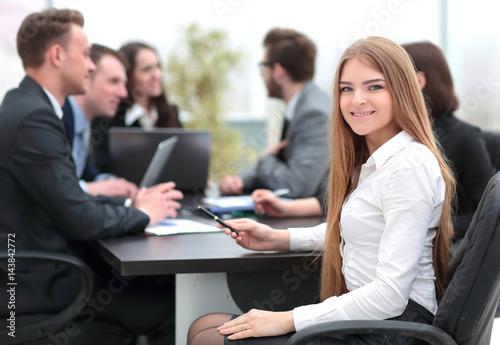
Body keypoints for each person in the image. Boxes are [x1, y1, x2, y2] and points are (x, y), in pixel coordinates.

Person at [186, 36, 456, 345]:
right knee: (203, 327)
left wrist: (287, 319)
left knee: (207, 336)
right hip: (372, 319)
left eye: (374, 87)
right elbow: (359, 230)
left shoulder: (409, 166)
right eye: (347, 89)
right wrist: (278, 238)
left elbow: (391, 295)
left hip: (395, 329)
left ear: (402, 91)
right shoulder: (376, 162)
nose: (357, 100)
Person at [0, 9, 182, 343]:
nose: (91, 65)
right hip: (37, 292)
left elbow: (72, 197)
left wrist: (132, 206)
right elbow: (80, 217)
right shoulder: (33, 119)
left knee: (161, 287)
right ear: (57, 55)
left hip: (48, 276)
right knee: (179, 303)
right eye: (85, 55)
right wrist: (143, 213)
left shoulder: (29, 107)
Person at [219, 28, 330, 199]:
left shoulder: (313, 114)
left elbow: (296, 185)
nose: (262, 75)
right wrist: (241, 181)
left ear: (278, 70)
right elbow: (286, 169)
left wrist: (266, 157)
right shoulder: (302, 105)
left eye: (263, 66)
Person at [402, 41, 496, 241]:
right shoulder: (396, 136)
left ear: (419, 81)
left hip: (446, 249)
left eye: (397, 76)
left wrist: (449, 228)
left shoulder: (465, 138)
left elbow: (491, 210)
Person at [92, 41, 182, 173]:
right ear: (128, 75)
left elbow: (182, 159)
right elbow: (103, 167)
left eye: (157, 67)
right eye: (147, 69)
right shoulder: (109, 118)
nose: (156, 75)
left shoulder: (170, 112)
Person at [62, 43, 138, 198]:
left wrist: (111, 184)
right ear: (86, 77)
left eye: (124, 83)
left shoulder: (84, 123)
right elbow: (52, 188)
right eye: (113, 81)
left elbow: (86, 173)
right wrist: (91, 189)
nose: (124, 93)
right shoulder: (56, 118)